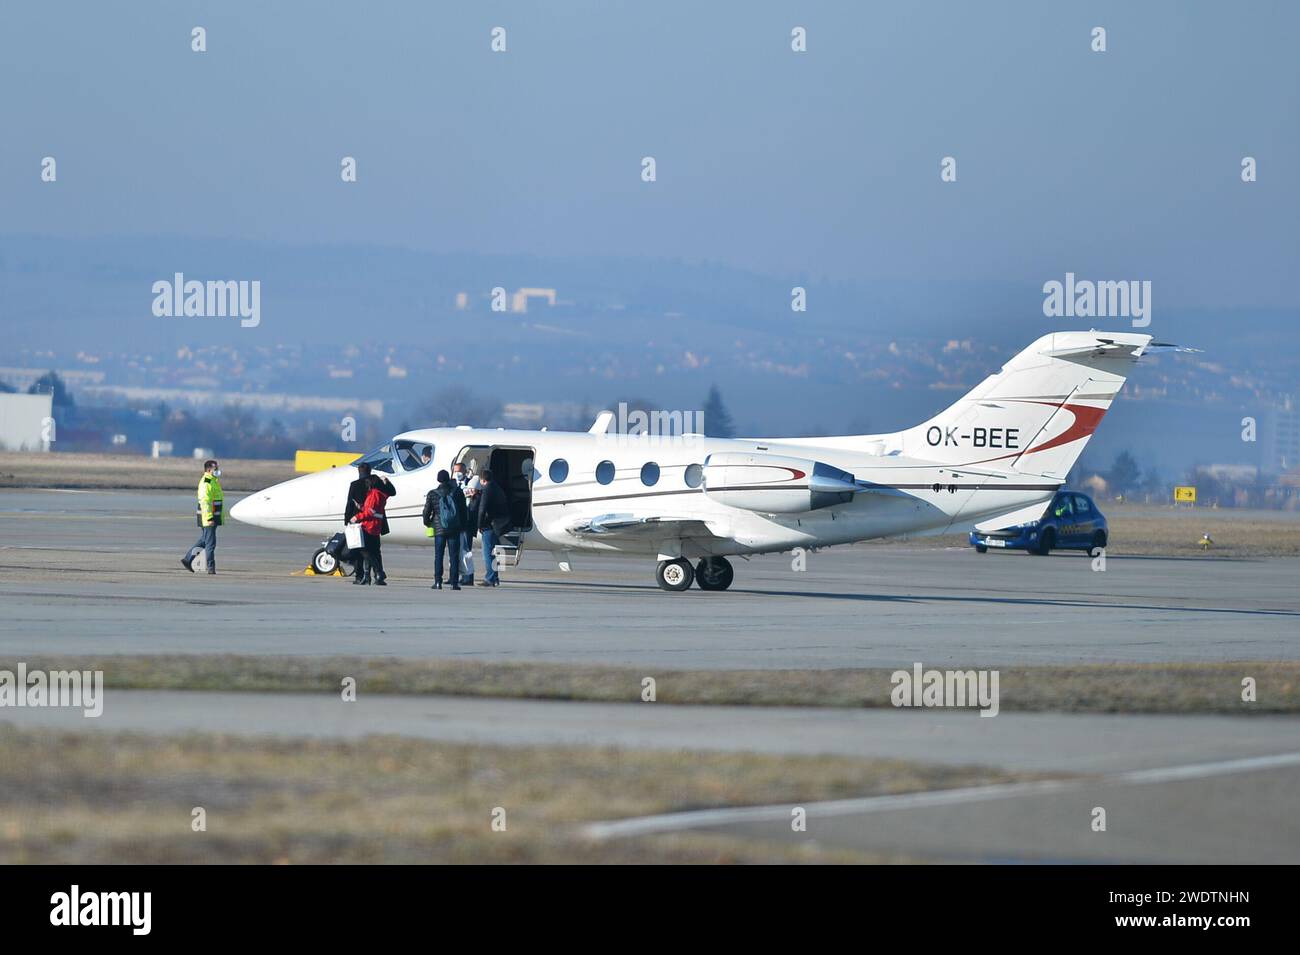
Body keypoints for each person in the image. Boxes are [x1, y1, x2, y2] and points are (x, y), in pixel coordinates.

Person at [344, 463, 395, 584]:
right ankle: (374, 575)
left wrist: (348, 519)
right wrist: (386, 481)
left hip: (363, 523)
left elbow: (350, 505)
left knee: (362, 550)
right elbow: (392, 492)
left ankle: (363, 575)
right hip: (376, 523)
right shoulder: (377, 484)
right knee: (375, 550)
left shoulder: (357, 486)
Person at [423, 470, 467, 590]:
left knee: (438, 555)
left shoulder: (432, 494)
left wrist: (428, 523)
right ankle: (454, 583)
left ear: (438, 479)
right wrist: (463, 526)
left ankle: (438, 582)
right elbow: (463, 511)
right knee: (454, 556)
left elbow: (426, 512)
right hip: (454, 528)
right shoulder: (458, 492)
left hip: (439, 529)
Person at [182, 459, 224, 574]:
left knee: (204, 540)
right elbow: (205, 502)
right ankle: (211, 568)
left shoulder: (213, 481)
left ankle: (188, 559)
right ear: (209, 470)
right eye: (216, 469)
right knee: (210, 544)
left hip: (213, 517)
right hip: (208, 518)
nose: (218, 471)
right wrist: (210, 518)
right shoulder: (207, 482)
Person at [476, 468, 511, 587]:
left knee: (487, 553)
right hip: (500, 525)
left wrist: (479, 525)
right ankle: (495, 577)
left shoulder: (487, 490)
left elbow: (482, 509)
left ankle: (490, 578)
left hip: (490, 525)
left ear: (482, 479)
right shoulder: (497, 487)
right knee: (495, 553)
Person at [453, 464, 477, 586]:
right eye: (455, 471)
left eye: (459, 471)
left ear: (465, 471)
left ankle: (469, 577)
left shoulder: (471, 482)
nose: (457, 473)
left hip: (466, 521)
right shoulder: (453, 484)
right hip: (456, 522)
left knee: (466, 550)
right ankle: (455, 575)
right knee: (456, 550)